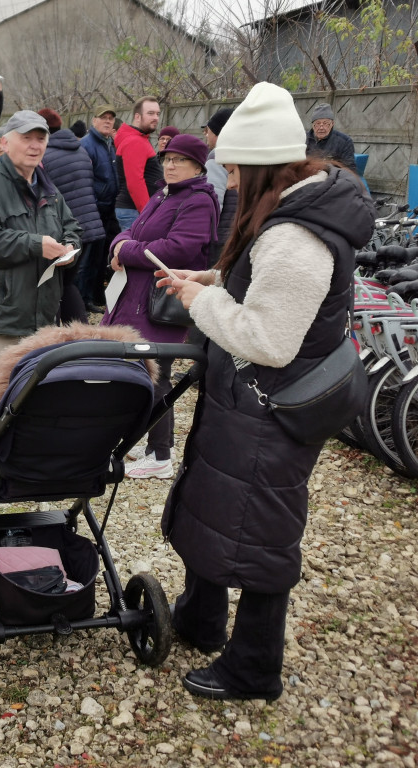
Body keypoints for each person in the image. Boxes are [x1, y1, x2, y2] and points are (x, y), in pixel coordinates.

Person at [158, 82, 375, 701]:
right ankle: (201, 618)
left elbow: (270, 338)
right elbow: (262, 286)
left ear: (260, 168)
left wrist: (202, 301)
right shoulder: (288, 213)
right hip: (248, 402)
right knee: (216, 505)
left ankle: (255, 666)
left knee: (260, 531)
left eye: (232, 170)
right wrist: (214, 278)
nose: (227, 181)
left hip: (271, 406)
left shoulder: (295, 236)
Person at [0, 110, 83, 436]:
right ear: (4, 144)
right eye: (26, 138)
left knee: (28, 403)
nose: (34, 145)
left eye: (40, 138)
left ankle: (12, 477)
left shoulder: (46, 184)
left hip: (40, 318)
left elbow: (71, 226)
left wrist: (69, 247)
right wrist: (33, 245)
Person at [101, 133, 218, 479]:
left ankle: (161, 453)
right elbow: (130, 230)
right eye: (167, 158)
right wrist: (118, 246)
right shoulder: (165, 194)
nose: (170, 164)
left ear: (197, 165)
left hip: (160, 300)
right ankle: (140, 438)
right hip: (133, 297)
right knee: (135, 370)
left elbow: (177, 249)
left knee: (158, 375)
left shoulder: (198, 201)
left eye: (179, 159)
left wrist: (126, 251)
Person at [39, 107, 104, 323]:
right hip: (88, 223)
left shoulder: (45, 156)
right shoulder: (80, 149)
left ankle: (64, 337)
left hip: (63, 228)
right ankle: (82, 335)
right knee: (69, 283)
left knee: (58, 285)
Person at [76, 105, 121, 313]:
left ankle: (92, 297)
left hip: (107, 209)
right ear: (93, 120)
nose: (108, 121)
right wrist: (93, 204)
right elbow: (86, 179)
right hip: (93, 210)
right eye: (104, 117)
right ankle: (81, 301)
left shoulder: (108, 143)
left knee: (99, 257)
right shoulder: (87, 145)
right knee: (87, 258)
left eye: (111, 118)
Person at [114, 97, 163, 230]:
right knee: (136, 250)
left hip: (134, 211)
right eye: (150, 113)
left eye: (158, 114)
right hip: (134, 211)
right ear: (137, 116)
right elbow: (135, 182)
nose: (156, 118)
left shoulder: (138, 139)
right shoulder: (134, 142)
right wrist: (147, 214)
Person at [203, 107, 238, 266]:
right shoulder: (243, 154)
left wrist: (204, 236)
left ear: (218, 133)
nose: (206, 135)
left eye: (208, 131)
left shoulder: (217, 157)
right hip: (238, 232)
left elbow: (213, 201)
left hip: (220, 236)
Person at [306, 102, 357, 173]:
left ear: (332, 124)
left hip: (332, 178)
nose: (321, 127)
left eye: (325, 123)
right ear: (312, 125)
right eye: (317, 123)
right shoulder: (303, 139)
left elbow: (350, 169)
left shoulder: (344, 141)